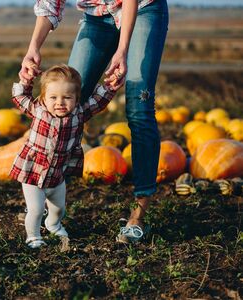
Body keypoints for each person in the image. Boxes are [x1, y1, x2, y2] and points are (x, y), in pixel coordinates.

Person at [20, 0, 169, 243]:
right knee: (66, 102)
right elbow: (50, 4)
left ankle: (138, 216)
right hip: (97, 17)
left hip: (142, 9)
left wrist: (123, 49)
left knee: (139, 107)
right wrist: (33, 48)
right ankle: (43, 201)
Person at [10, 64, 116, 248]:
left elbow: (98, 102)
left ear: (76, 99)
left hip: (57, 175)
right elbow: (20, 98)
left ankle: (53, 224)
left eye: (67, 97)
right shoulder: (39, 110)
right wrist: (26, 81)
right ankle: (33, 236)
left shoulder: (79, 113)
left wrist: (110, 86)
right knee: (35, 209)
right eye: (53, 97)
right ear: (44, 97)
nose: (60, 102)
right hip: (34, 173)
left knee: (59, 209)